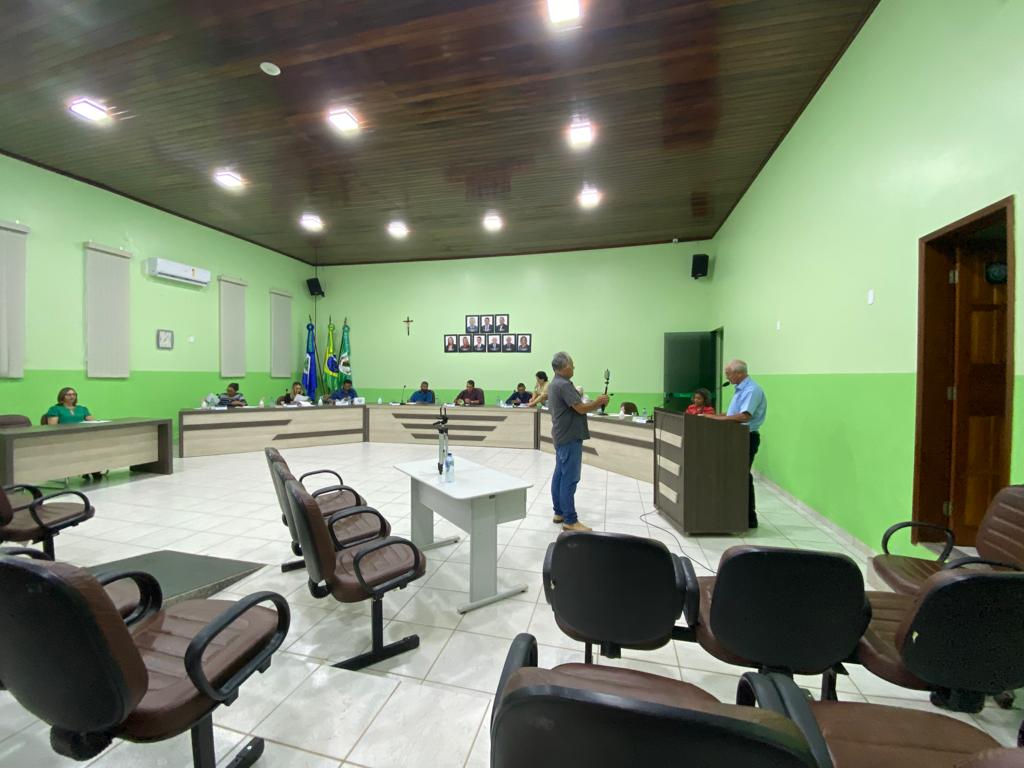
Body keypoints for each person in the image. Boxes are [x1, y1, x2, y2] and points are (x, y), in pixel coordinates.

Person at [547, 351, 609, 532]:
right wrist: (598, 402)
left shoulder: (554, 384)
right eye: (572, 365)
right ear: (565, 367)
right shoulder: (564, 385)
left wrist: (593, 403)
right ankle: (570, 520)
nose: (574, 367)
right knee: (570, 478)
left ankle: (559, 512)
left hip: (561, 435)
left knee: (560, 475)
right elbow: (581, 408)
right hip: (569, 436)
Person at [703, 359, 767, 529]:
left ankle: (748, 518)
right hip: (734, 437)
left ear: (739, 373)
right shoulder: (740, 389)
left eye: (728, 373)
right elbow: (733, 413)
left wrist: (715, 419)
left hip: (745, 438)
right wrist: (715, 416)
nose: (726, 377)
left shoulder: (751, 390)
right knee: (734, 476)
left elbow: (744, 416)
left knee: (741, 477)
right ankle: (733, 514)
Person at [46, 387, 101, 481]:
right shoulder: (55, 409)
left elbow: (92, 421)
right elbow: (52, 426)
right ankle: (89, 469)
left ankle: (92, 469)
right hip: (64, 438)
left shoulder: (82, 409)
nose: (72, 396)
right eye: (69, 395)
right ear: (62, 396)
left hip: (82, 436)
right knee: (85, 447)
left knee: (95, 445)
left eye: (74, 394)